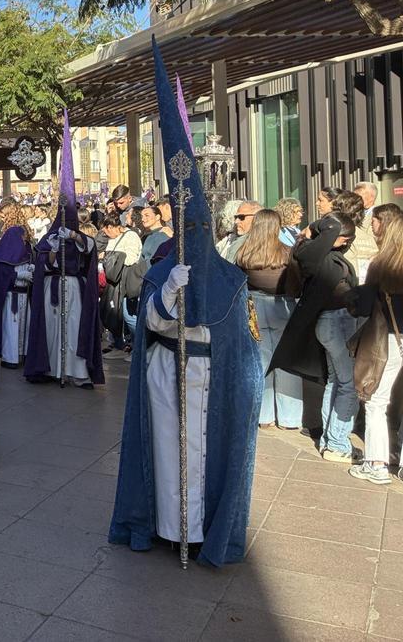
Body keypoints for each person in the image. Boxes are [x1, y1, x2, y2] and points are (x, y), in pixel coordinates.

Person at [110, 41, 261, 567]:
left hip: (207, 378)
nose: (193, 235)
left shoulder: (230, 278)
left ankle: (199, 531)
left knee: (203, 455)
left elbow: (240, 345)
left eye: (200, 227)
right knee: (167, 452)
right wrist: (169, 292)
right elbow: (149, 322)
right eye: (187, 226)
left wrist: (203, 334)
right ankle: (165, 526)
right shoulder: (160, 268)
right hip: (163, 374)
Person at [270, 211, 360, 461]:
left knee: (336, 380)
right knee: (348, 384)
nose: (346, 242)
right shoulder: (313, 253)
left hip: (330, 322)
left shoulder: (319, 254)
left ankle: (330, 440)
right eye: (344, 238)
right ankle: (337, 444)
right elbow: (331, 228)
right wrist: (316, 226)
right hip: (335, 322)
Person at [25, 114, 104, 389]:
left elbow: (89, 250)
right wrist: (52, 251)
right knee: (52, 329)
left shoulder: (81, 236)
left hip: (74, 287)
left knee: (74, 328)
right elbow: (43, 263)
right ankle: (53, 369)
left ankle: (77, 372)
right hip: (53, 289)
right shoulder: (49, 236)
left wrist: (73, 237)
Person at [344, 217, 403, 483]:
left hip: (388, 338)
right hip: (393, 338)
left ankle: (376, 464)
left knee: (376, 400)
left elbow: (363, 305)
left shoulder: (380, 265)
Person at [235, 209, 303, 430]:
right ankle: (290, 419)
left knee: (260, 362)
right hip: (283, 305)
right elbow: (296, 283)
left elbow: (237, 282)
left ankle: (263, 416)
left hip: (254, 306)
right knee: (287, 362)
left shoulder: (244, 252)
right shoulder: (287, 253)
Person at [0, 203, 34, 369]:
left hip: (24, 292)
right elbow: (3, 266)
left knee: (23, 325)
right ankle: (11, 357)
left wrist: (31, 267)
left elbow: (26, 257)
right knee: (11, 327)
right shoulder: (12, 234)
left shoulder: (18, 233)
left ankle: (21, 355)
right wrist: (17, 275)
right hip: (13, 293)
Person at [99, 214, 143, 358]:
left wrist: (112, 256)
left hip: (127, 280)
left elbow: (131, 258)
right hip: (114, 282)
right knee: (114, 313)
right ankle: (119, 345)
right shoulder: (112, 238)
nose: (105, 235)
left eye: (106, 231)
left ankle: (138, 348)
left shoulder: (131, 236)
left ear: (111, 227)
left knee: (128, 315)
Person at [349, 182, 379, 280]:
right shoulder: (352, 214)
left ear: (371, 197)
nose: (355, 200)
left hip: (370, 263)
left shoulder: (379, 215)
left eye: (358, 196)